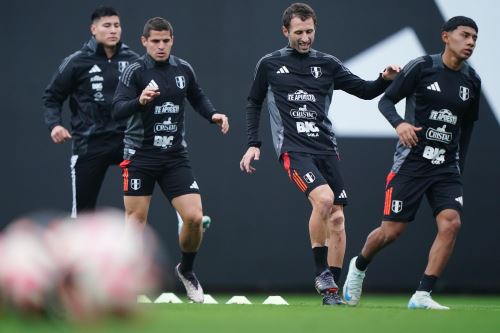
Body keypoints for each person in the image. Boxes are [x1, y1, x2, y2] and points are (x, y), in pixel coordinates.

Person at [239, 3, 399, 305]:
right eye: (298, 32)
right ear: (285, 31)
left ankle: (331, 291)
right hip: (293, 149)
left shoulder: (327, 64)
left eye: (309, 31)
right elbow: (253, 102)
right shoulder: (270, 64)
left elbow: (364, 91)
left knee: (337, 219)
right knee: (324, 200)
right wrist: (253, 144)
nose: (305, 38)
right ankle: (321, 271)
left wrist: (384, 78)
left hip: (326, 148)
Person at [342, 16, 481, 310]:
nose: (470, 42)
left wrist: (460, 167)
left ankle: (422, 294)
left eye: (474, 38)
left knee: (451, 223)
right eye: (465, 35)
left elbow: (467, 128)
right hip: (412, 163)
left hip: (446, 168)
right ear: (446, 36)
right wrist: (400, 124)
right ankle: (359, 266)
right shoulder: (422, 67)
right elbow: (385, 101)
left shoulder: (472, 80)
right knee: (391, 232)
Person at [112, 17, 229, 303]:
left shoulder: (183, 68)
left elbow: (197, 97)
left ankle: (186, 270)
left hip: (175, 155)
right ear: (144, 42)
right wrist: (139, 101)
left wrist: (213, 114)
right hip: (140, 155)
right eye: (155, 41)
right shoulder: (134, 71)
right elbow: (117, 110)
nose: (161, 46)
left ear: (172, 40)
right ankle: (130, 282)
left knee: (194, 218)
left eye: (166, 41)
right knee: (136, 221)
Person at [43, 6, 139, 218]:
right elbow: (52, 97)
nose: (113, 30)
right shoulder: (76, 61)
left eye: (117, 25)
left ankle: (187, 216)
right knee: (84, 215)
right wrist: (55, 125)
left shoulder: (133, 60)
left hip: (127, 140)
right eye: (107, 25)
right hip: (90, 143)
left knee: (141, 203)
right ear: (93, 29)